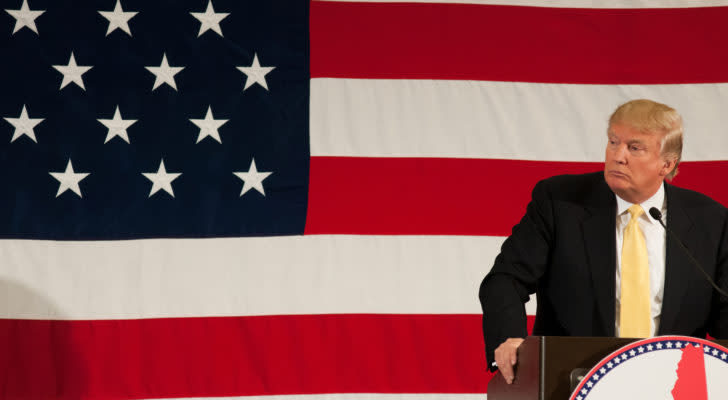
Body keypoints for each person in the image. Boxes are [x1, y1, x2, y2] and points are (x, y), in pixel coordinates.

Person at [479, 99, 728, 384]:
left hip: (671, 381)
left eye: (634, 148)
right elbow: (505, 281)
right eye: (613, 142)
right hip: (573, 378)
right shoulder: (560, 203)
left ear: (667, 164)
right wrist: (510, 339)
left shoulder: (711, 220)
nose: (618, 156)